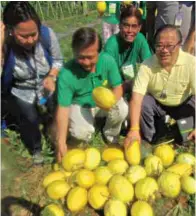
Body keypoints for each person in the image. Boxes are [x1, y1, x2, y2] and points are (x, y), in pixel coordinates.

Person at [1, 2, 63, 164]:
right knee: (29, 117)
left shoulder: (47, 35)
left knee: (55, 110)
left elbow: (58, 60)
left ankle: (55, 138)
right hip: (21, 90)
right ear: (10, 30)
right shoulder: (5, 45)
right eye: (23, 36)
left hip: (46, 84)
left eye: (33, 34)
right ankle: (36, 149)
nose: (30, 40)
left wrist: (51, 76)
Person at [56, 27, 128, 162]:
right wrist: (61, 141)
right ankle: (89, 131)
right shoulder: (66, 73)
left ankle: (111, 135)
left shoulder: (107, 61)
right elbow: (63, 108)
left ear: (99, 52)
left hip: (103, 105)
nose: (86, 62)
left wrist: (111, 103)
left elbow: (118, 87)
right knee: (82, 133)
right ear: (73, 51)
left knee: (122, 108)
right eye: (81, 57)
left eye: (90, 57)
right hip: (81, 106)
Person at [124, 25, 195, 146]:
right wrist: (134, 129)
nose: (164, 50)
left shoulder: (191, 63)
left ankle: (181, 132)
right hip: (158, 104)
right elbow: (136, 99)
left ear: (179, 45)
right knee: (144, 102)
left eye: (169, 46)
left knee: (184, 141)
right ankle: (149, 139)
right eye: (159, 46)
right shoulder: (147, 65)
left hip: (183, 104)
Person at [104, 5, 151, 94]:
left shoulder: (140, 39)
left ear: (139, 28)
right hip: (115, 88)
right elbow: (108, 77)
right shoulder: (111, 45)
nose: (130, 30)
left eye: (134, 26)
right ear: (120, 25)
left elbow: (149, 66)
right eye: (126, 25)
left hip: (134, 85)